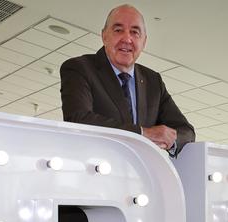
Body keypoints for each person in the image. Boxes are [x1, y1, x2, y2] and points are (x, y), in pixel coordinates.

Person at [60, 4, 195, 156]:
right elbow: (78, 119)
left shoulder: (153, 82)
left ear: (144, 42)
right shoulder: (79, 68)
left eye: (134, 32)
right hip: (94, 171)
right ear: (104, 36)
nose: (127, 38)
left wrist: (168, 140)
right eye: (118, 30)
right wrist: (142, 133)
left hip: (140, 176)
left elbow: (186, 132)